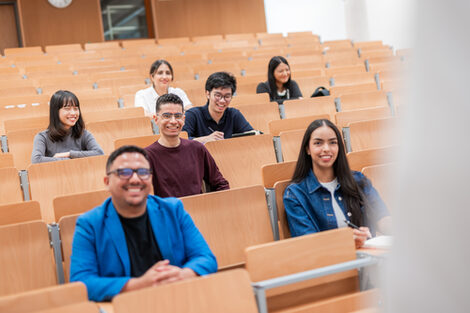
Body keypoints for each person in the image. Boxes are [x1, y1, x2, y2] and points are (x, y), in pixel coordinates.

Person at [70, 145, 217, 301]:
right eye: (124, 173)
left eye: (143, 172)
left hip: (175, 300)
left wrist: (181, 275)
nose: (135, 179)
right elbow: (81, 282)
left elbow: (206, 258)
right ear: (107, 182)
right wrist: (139, 284)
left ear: (151, 179)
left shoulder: (173, 210)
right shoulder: (89, 224)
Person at [283, 119, 391, 248]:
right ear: (308, 149)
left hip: (368, 259)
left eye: (333, 143)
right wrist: (345, 241)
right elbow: (308, 244)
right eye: (318, 143)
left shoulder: (358, 180)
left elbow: (381, 217)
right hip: (331, 264)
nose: (326, 149)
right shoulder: (295, 194)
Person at [145, 93, 229, 197]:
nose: (173, 121)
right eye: (166, 116)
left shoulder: (197, 148)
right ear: (156, 119)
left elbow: (220, 184)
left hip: (199, 210)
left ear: (184, 119)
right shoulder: (146, 156)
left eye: (178, 116)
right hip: (167, 212)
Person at [31, 90, 104, 164]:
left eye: (76, 108)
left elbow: (99, 153)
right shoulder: (42, 137)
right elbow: (36, 160)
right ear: (55, 112)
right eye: (67, 108)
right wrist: (68, 161)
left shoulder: (84, 134)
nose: (73, 113)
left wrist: (69, 154)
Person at [182, 71, 253, 144]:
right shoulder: (193, 114)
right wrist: (205, 139)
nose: (222, 101)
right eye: (218, 95)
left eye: (227, 96)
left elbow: (252, 136)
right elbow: (180, 141)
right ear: (208, 94)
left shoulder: (234, 114)